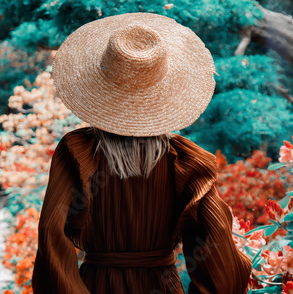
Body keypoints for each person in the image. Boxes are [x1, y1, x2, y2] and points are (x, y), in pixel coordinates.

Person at [31, 12, 252, 294]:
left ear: (100, 84)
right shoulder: (188, 162)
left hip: (97, 285)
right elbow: (216, 248)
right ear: (164, 89)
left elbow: (52, 237)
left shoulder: (76, 151)